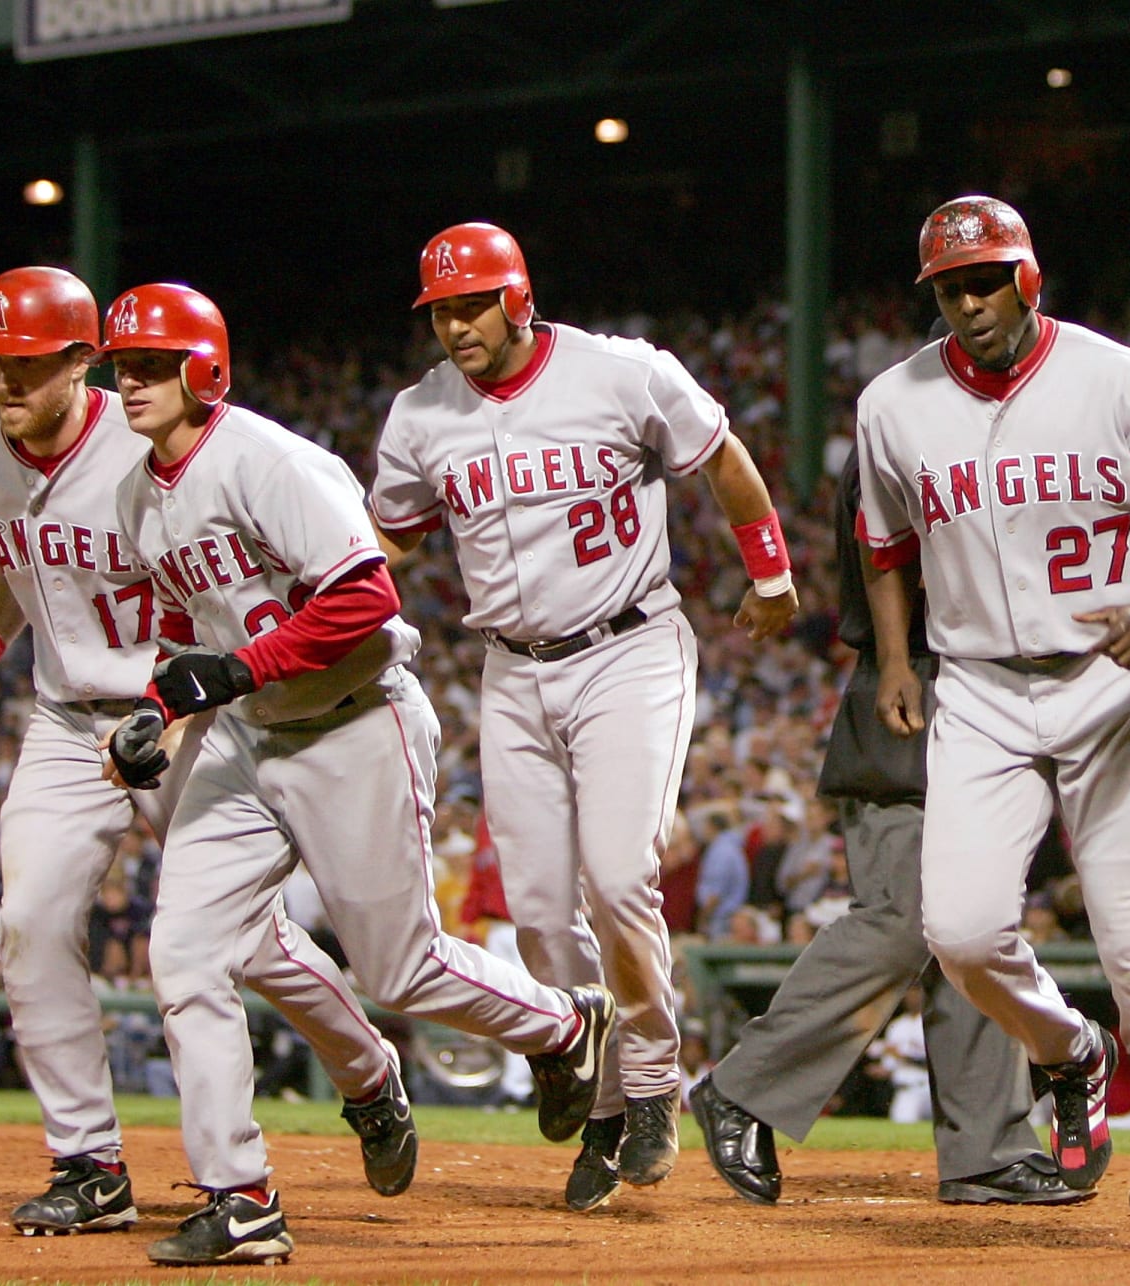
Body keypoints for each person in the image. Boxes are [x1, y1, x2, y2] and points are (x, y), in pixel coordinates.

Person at [97, 281, 614, 1266]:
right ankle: (241, 1193)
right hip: (248, 736)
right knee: (188, 951)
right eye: (122, 366)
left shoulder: (270, 461)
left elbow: (366, 597)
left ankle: (560, 1024)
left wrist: (236, 668)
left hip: (353, 722)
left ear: (204, 368)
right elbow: (181, 625)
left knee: (399, 965)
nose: (132, 382)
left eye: (154, 364)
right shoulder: (137, 492)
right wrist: (159, 715)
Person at [0, 268, 417, 1239]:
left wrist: (182, 710)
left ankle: (367, 1069)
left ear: (81, 360)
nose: (4, 383)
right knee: (26, 919)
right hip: (67, 717)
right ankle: (89, 1161)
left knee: (242, 939)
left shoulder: (147, 444)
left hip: (176, 703)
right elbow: (5, 551)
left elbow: (225, 590)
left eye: (25, 363)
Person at [370, 222, 798, 1212]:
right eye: (440, 309)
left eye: (471, 303)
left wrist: (770, 569)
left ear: (518, 299)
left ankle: (650, 1081)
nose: (455, 324)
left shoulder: (619, 373)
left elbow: (722, 456)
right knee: (537, 911)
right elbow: (388, 536)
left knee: (619, 875)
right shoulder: (421, 414)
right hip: (510, 670)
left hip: (629, 649)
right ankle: (597, 1083)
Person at [855, 196, 1130, 1256]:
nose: (970, 302)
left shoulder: (1119, 379)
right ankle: (1072, 1051)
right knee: (963, 933)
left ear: (1030, 278)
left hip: (1104, 679)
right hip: (978, 688)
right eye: (951, 287)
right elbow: (882, 543)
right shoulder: (892, 402)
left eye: (987, 280)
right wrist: (896, 658)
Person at [692, 441, 1080, 1209]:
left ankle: (988, 1150)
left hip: (991, 701)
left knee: (974, 931)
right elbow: (895, 576)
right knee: (905, 918)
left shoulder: (986, 436)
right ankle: (744, 1088)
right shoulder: (904, 435)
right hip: (915, 692)